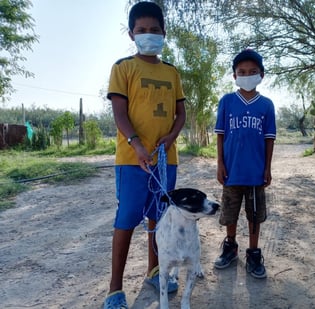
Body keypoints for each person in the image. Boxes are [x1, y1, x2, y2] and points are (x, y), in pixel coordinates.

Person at [103, 2, 186, 308]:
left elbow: (181, 113)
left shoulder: (172, 72)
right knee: (126, 219)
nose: (148, 35)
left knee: (159, 216)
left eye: (154, 30)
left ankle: (155, 269)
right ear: (131, 34)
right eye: (142, 30)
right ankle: (114, 289)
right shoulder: (123, 68)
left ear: (164, 33)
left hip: (167, 160)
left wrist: (172, 137)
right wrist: (136, 143)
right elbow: (120, 114)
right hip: (132, 160)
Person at [214, 49, 276, 279]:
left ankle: (253, 252)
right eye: (242, 72)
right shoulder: (227, 102)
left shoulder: (266, 105)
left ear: (261, 75)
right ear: (234, 76)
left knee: (255, 215)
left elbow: (269, 138)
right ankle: (230, 247)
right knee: (230, 214)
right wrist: (219, 163)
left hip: (255, 173)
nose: (247, 75)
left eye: (252, 72)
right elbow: (220, 134)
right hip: (231, 172)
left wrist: (267, 167)